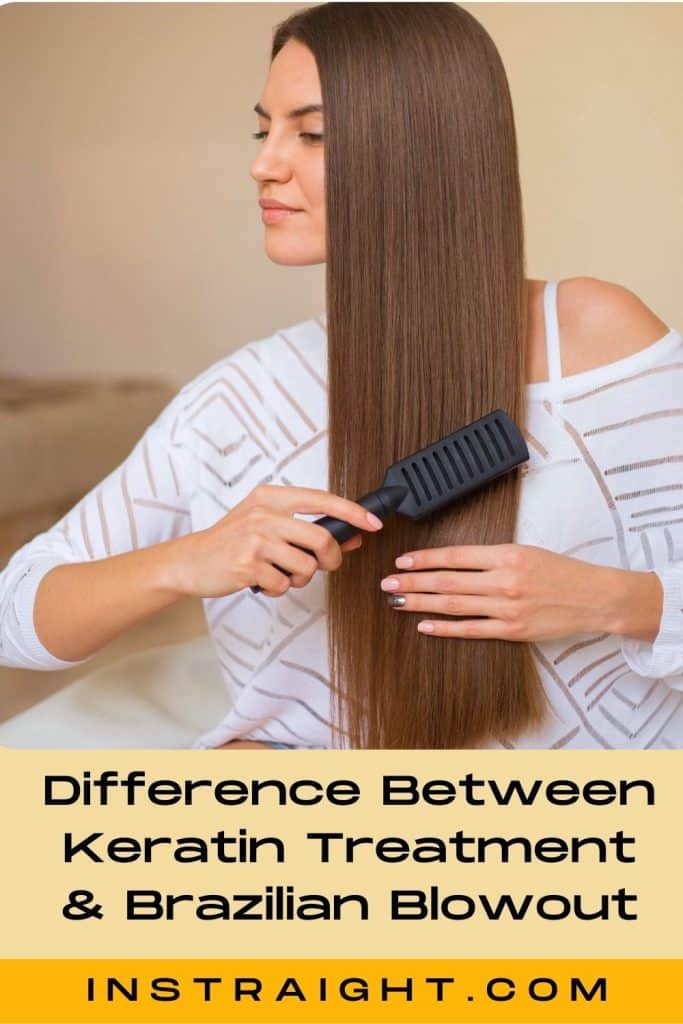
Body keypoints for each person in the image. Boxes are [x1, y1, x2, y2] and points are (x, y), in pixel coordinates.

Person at [1, 3, 682, 750]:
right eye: (264, 129)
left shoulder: (593, 336)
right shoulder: (244, 397)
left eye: (312, 132)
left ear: (430, 150)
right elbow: (18, 617)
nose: (264, 163)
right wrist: (182, 562)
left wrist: (619, 601)